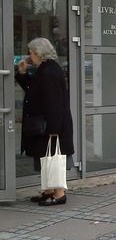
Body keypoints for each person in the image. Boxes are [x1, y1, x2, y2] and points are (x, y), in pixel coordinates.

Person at [16, 37, 74, 206]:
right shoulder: (45, 69)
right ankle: (49, 191)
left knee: (52, 158)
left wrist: (54, 129)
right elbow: (33, 90)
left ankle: (59, 194)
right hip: (46, 124)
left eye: (31, 53)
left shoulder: (49, 72)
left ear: (39, 53)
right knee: (45, 157)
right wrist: (22, 73)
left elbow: (54, 103)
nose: (29, 56)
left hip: (51, 125)